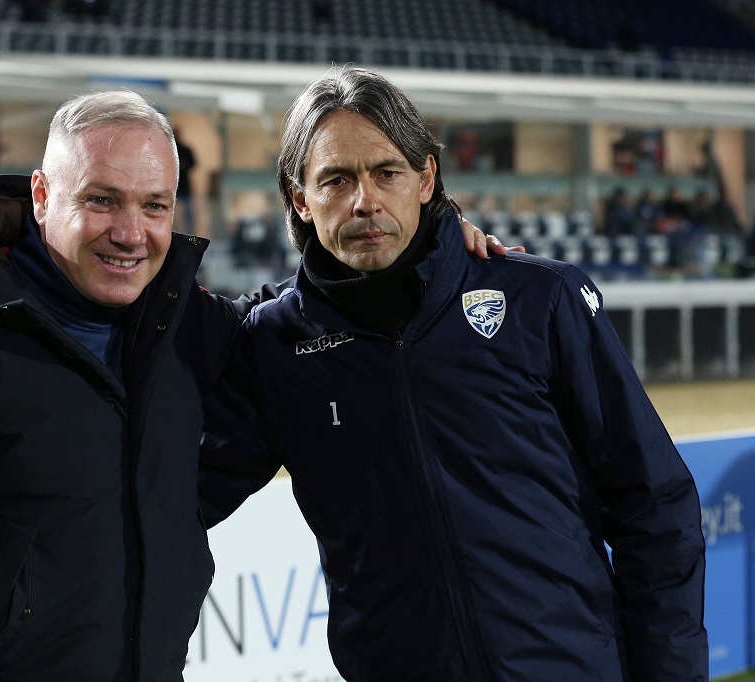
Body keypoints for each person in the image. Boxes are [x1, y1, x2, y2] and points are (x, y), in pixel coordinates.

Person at [0, 88, 503, 681]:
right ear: (42, 196)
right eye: (102, 200)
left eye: (156, 206)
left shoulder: (184, 325)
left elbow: (296, 315)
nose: (131, 233)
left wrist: (430, 244)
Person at [199, 66, 708, 681]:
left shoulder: (538, 300)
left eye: (387, 173)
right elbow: (176, 496)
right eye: (336, 179)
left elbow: (653, 505)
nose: (365, 201)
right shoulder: (275, 347)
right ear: (299, 198)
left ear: (425, 179)